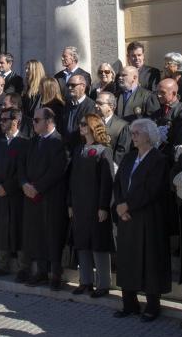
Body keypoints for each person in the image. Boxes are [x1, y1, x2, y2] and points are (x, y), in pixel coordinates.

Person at [113, 118, 171, 321]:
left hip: (148, 217)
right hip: (127, 217)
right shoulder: (129, 158)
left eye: (136, 133)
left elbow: (152, 189)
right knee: (127, 259)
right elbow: (119, 183)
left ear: (148, 135)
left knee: (150, 261)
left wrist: (128, 205)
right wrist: (120, 206)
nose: (133, 136)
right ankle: (129, 303)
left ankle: (152, 306)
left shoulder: (159, 160)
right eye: (132, 133)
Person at [21, 107, 69, 290]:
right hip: (31, 197)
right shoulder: (33, 142)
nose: (33, 123)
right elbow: (22, 165)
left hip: (51, 198)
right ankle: (40, 271)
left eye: (36, 120)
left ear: (48, 121)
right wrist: (24, 183)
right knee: (36, 234)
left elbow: (57, 169)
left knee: (53, 235)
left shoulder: (59, 142)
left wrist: (37, 187)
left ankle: (55, 274)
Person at [68, 114, 114, 298]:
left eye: (84, 124)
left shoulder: (104, 151)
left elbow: (107, 182)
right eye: (80, 124)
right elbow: (72, 179)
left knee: (98, 245)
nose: (81, 127)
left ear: (93, 127)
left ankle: (103, 284)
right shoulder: (79, 149)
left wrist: (104, 206)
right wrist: (70, 203)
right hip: (80, 205)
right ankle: (85, 281)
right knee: (82, 243)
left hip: (96, 206)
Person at [0, 108, 30, 280]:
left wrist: (8, 187)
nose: (1, 123)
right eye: (1, 119)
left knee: (19, 229)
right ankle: (1, 265)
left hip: (16, 194)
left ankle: (23, 267)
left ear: (15, 121)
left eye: (4, 120)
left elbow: (23, 170)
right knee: (1, 228)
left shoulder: (25, 143)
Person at [151, 78, 182, 148]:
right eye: (158, 92)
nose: (158, 95)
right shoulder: (158, 111)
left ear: (174, 93)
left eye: (162, 92)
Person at [96, 91, 131, 163]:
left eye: (100, 103)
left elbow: (121, 153)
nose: (96, 106)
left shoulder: (121, 126)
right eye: (96, 102)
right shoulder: (91, 121)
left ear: (111, 106)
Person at [65, 73, 97, 146]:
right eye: (68, 85)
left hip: (82, 147)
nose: (70, 88)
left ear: (83, 86)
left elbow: (90, 130)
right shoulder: (67, 104)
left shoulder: (91, 106)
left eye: (73, 85)